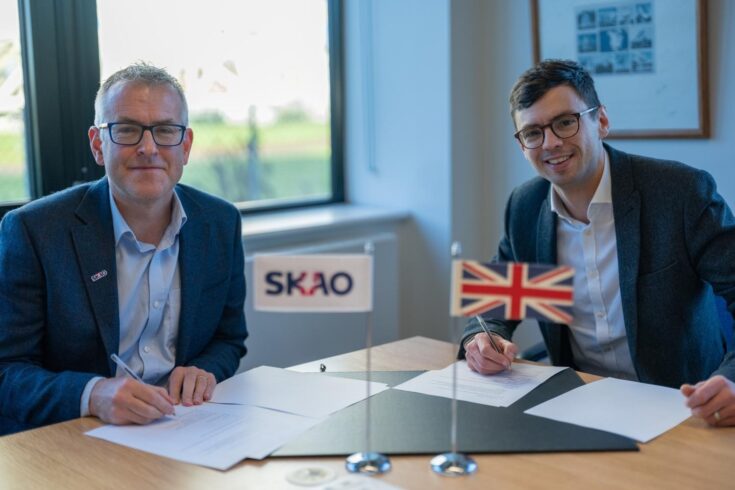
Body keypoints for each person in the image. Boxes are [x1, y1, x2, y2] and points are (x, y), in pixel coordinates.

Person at [460, 59, 735, 427]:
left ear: (601, 121)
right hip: (577, 406)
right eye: (532, 133)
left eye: (565, 122)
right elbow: (494, 303)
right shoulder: (525, 206)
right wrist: (482, 338)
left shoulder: (680, 193)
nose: (551, 143)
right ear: (522, 144)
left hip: (683, 405)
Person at [0, 63, 248, 434]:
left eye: (165, 130)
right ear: (98, 145)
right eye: (127, 130)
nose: (148, 148)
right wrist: (92, 394)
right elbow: (7, 369)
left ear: (186, 145)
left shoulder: (220, 223)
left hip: (182, 425)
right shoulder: (34, 231)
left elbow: (228, 338)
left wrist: (205, 370)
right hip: (74, 433)